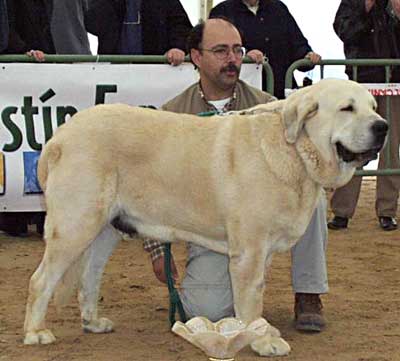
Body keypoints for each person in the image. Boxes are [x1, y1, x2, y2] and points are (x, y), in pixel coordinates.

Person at [144, 18, 329, 332]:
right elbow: (151, 185)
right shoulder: (171, 115)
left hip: (266, 216)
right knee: (207, 313)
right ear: (196, 57)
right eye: (220, 51)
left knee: (313, 194)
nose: (232, 59)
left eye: (237, 50)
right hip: (208, 231)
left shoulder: (269, 108)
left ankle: (308, 292)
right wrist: (156, 250)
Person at [0, 0, 91, 236]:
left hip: (60, 72)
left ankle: (46, 215)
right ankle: (17, 217)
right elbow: (9, 27)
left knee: (54, 144)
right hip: (28, 71)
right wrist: (23, 50)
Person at [328, 0, 400, 231]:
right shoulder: (353, 2)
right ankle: (342, 211)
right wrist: (365, 8)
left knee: (391, 150)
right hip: (361, 83)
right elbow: (344, 31)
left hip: (395, 84)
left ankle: (387, 211)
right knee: (354, 145)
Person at [208, 0, 321, 99]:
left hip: (280, 91)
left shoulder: (279, 8)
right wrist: (244, 53)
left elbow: (297, 42)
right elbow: (214, 47)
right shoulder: (222, 11)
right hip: (244, 96)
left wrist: (307, 55)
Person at [85, 0, 192, 66]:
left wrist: (178, 47)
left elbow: (180, 25)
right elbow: (92, 24)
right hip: (114, 71)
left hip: (154, 72)